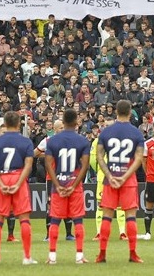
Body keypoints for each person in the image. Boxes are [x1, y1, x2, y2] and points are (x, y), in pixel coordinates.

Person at [95, 100, 145, 263]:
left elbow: (99, 156)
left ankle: (102, 254)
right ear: (130, 112)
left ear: (116, 112)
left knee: (107, 216)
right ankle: (133, 253)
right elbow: (138, 158)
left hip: (111, 179)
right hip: (128, 179)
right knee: (130, 216)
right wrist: (125, 176)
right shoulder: (136, 133)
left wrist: (109, 175)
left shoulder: (106, 132)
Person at [0, 111, 36, 265]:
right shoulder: (26, 142)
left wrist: (0, 183)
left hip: (2, 177)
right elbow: (28, 165)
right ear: (19, 124)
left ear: (5, 124)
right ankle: (27, 257)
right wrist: (18, 183)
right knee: (24, 218)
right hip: (18, 177)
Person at [44, 109, 91, 264]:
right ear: (77, 122)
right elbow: (85, 166)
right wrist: (75, 184)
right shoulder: (83, 141)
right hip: (74, 186)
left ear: (62, 122)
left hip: (59, 185)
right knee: (78, 220)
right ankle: (79, 256)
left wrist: (57, 184)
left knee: (55, 220)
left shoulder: (52, 141)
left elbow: (48, 164)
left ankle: (52, 257)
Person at [34, 120, 74, 241]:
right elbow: (35, 153)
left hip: (67, 177)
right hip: (52, 178)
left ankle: (69, 234)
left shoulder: (70, 140)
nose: (63, 129)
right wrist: (48, 155)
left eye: (64, 127)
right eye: (61, 128)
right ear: (55, 129)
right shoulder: (47, 141)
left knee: (68, 204)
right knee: (51, 205)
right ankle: (49, 235)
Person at [91, 121, 128, 241]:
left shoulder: (114, 141)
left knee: (119, 205)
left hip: (114, 175)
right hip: (108, 176)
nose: (107, 127)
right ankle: (100, 232)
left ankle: (121, 232)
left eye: (109, 125)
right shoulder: (98, 141)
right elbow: (92, 158)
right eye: (105, 125)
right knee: (102, 205)